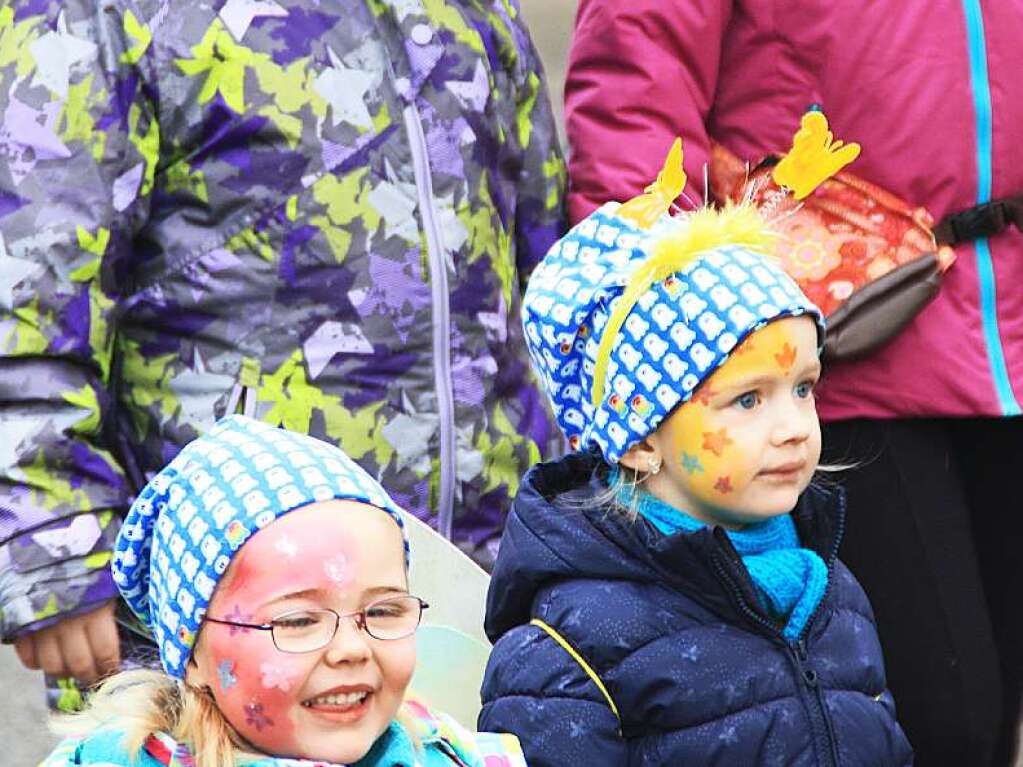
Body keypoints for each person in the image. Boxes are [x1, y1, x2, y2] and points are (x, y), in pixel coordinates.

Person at [0, 0, 565, 710]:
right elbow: (26, 288)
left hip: (475, 580)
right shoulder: (102, 15)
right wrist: (52, 538)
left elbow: (539, 258)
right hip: (235, 594)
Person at [563, 2, 1023, 763]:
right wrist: (643, 321)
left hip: (1007, 331)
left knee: (993, 708)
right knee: (937, 721)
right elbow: (636, 84)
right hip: (814, 353)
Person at [477, 144, 912, 765]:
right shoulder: (569, 646)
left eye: (803, 388)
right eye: (747, 401)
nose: (793, 427)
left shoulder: (832, 590)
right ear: (639, 438)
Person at [40, 415, 527, 767]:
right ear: (192, 655)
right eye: (297, 621)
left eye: (381, 612)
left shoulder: (454, 757)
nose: (352, 649)